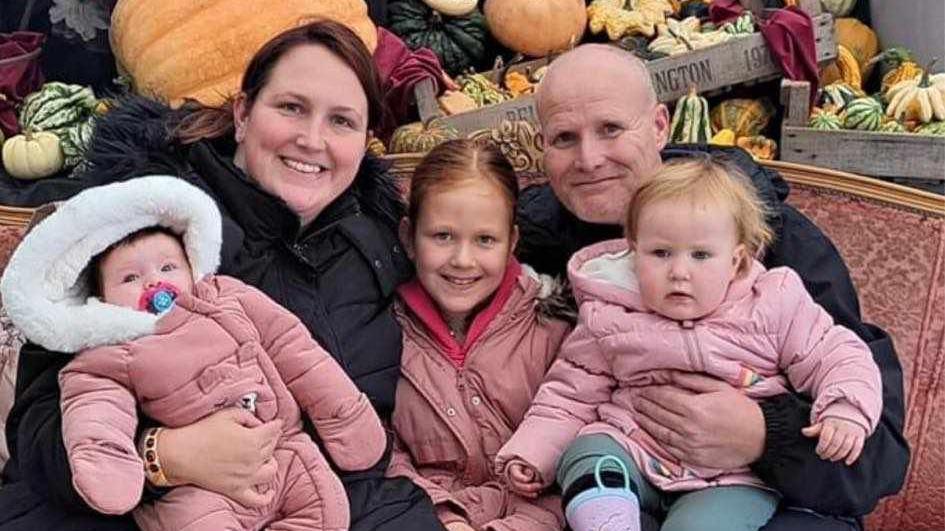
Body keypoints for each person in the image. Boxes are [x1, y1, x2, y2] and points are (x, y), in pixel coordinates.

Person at [0, 21, 444, 531]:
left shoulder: (376, 240)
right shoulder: (140, 228)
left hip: (321, 501)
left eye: (341, 121)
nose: (312, 139)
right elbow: (38, 426)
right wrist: (164, 455)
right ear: (242, 113)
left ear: (366, 142)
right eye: (291, 107)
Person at [513, 43, 908, 531]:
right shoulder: (524, 244)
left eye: (611, 129)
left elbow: (880, 456)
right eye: (564, 138)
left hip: (762, 498)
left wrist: (765, 434)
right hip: (611, 477)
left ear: (660, 126)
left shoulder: (772, 240)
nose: (589, 158)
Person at [0, 176, 388, 531]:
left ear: (192, 266)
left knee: (328, 510)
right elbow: (95, 411)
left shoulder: (229, 299)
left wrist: (344, 415)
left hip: (282, 450)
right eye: (130, 278)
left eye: (168, 266)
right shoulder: (109, 351)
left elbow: (296, 350)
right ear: (102, 299)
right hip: (195, 489)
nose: (154, 281)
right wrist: (123, 466)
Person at [385, 139, 572, 531]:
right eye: (442, 237)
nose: (463, 260)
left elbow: (569, 450)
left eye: (485, 240)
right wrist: (443, 518)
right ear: (408, 238)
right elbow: (385, 452)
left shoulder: (550, 326)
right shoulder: (383, 335)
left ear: (512, 243)